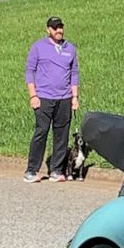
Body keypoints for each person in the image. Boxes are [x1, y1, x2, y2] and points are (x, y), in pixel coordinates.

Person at [25, 15, 79, 181]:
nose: (59, 30)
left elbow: (74, 73)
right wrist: (33, 95)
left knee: (62, 134)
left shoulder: (70, 48)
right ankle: (31, 170)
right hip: (43, 97)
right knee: (41, 132)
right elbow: (30, 71)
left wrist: (74, 97)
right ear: (48, 30)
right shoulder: (38, 47)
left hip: (64, 98)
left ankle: (56, 170)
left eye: (61, 27)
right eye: (55, 28)